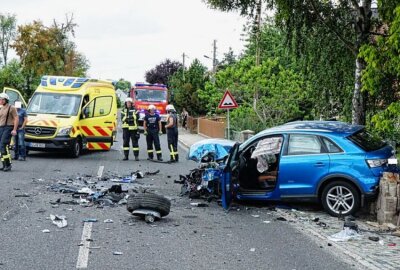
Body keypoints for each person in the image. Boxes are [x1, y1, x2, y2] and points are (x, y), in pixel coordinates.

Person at [0, 93, 18, 171]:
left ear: (6, 100)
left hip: (8, 127)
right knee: (1, 147)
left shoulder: (11, 107)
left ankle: (8, 165)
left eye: (2, 99)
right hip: (1, 128)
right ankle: (4, 165)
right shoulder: (1, 108)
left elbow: (16, 118)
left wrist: (14, 129)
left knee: (3, 145)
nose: (0, 100)